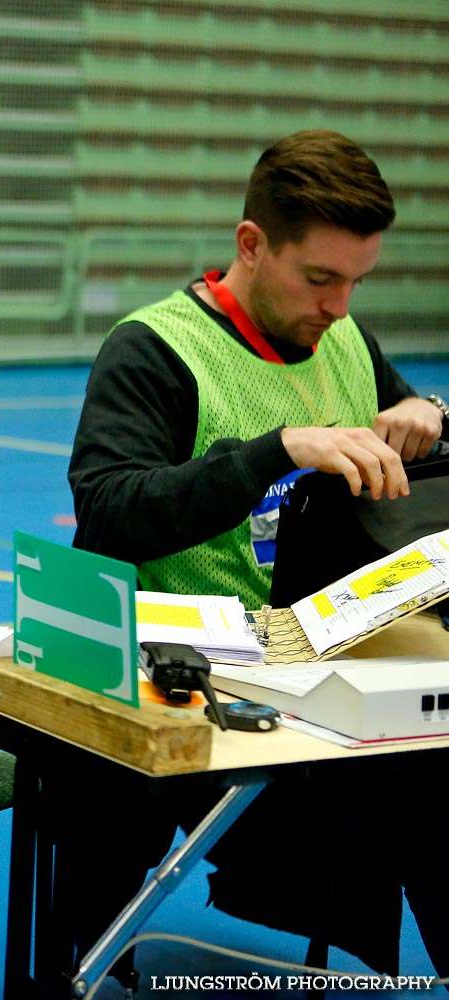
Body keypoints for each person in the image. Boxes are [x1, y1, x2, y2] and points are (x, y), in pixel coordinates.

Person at [64, 130, 449, 980]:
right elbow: (109, 507)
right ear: (251, 244)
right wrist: (273, 451)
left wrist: (427, 407)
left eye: (356, 280)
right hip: (179, 679)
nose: (341, 305)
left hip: (314, 661)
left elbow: (405, 440)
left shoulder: (343, 337)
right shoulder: (155, 349)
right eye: (320, 279)